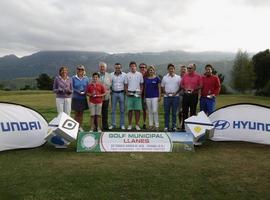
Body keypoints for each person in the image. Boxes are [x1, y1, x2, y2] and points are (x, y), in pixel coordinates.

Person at [181, 63, 202, 130]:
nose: (188, 69)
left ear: (194, 69)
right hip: (186, 96)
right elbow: (181, 85)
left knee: (193, 112)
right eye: (188, 68)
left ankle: (191, 128)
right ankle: (184, 127)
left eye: (190, 68)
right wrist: (185, 88)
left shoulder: (198, 76)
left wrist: (194, 89)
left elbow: (201, 85)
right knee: (185, 112)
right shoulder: (185, 76)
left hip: (194, 96)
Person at [161, 63, 181, 132]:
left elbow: (180, 87)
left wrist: (175, 93)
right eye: (170, 69)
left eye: (172, 69)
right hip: (166, 97)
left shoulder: (178, 77)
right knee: (166, 112)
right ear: (168, 70)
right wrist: (165, 93)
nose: (171, 70)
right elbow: (162, 87)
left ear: (174, 69)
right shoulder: (164, 77)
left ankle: (174, 126)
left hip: (176, 97)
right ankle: (166, 126)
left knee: (174, 113)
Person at [125, 61, 144, 131]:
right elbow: (126, 85)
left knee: (137, 110)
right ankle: (129, 125)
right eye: (131, 66)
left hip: (137, 94)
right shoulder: (127, 75)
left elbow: (141, 84)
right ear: (130, 67)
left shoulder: (139, 74)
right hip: (130, 94)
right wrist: (126, 92)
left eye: (134, 66)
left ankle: (137, 125)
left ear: (136, 67)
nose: (133, 67)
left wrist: (141, 91)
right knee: (130, 110)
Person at [109, 63, 127, 130]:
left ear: (121, 68)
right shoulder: (111, 75)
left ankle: (122, 124)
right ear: (114, 68)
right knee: (113, 110)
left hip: (122, 93)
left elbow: (125, 84)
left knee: (122, 110)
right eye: (116, 68)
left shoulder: (124, 75)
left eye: (119, 68)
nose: (117, 69)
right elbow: (109, 84)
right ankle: (113, 124)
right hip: (114, 93)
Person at [71, 65, 89, 131]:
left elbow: (87, 87)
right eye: (79, 69)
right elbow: (72, 87)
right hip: (76, 97)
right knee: (76, 114)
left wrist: (85, 91)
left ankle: (80, 126)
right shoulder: (73, 78)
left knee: (81, 113)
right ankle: (75, 127)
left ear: (83, 70)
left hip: (83, 98)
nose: (80, 70)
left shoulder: (86, 78)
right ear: (77, 70)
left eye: (82, 69)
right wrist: (77, 91)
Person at [144, 65, 161, 131]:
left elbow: (159, 88)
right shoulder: (146, 79)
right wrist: (145, 97)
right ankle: (151, 125)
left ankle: (157, 126)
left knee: (155, 111)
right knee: (150, 112)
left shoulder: (157, 78)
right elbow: (145, 88)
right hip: (148, 97)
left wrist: (159, 96)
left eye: (152, 70)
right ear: (148, 71)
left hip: (155, 97)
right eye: (150, 70)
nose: (151, 71)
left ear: (154, 71)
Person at [98, 62, 112, 130]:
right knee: (97, 112)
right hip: (98, 97)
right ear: (99, 68)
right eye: (101, 67)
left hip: (106, 96)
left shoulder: (109, 75)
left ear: (105, 68)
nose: (102, 68)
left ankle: (105, 126)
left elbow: (111, 85)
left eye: (103, 67)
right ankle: (97, 126)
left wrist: (108, 91)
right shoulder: (96, 75)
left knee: (105, 112)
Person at [178, 65, 187, 130]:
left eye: (184, 69)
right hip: (180, 95)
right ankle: (180, 123)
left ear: (186, 70)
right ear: (180, 70)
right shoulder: (178, 78)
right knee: (180, 111)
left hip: (187, 96)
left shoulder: (188, 77)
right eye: (182, 69)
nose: (183, 70)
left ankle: (185, 124)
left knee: (186, 111)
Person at [139, 63, 148, 129]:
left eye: (144, 67)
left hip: (146, 95)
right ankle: (138, 123)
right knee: (138, 109)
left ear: (146, 68)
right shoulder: (137, 75)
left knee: (145, 110)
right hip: (138, 95)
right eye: (141, 67)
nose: (142, 68)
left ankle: (144, 123)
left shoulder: (148, 75)